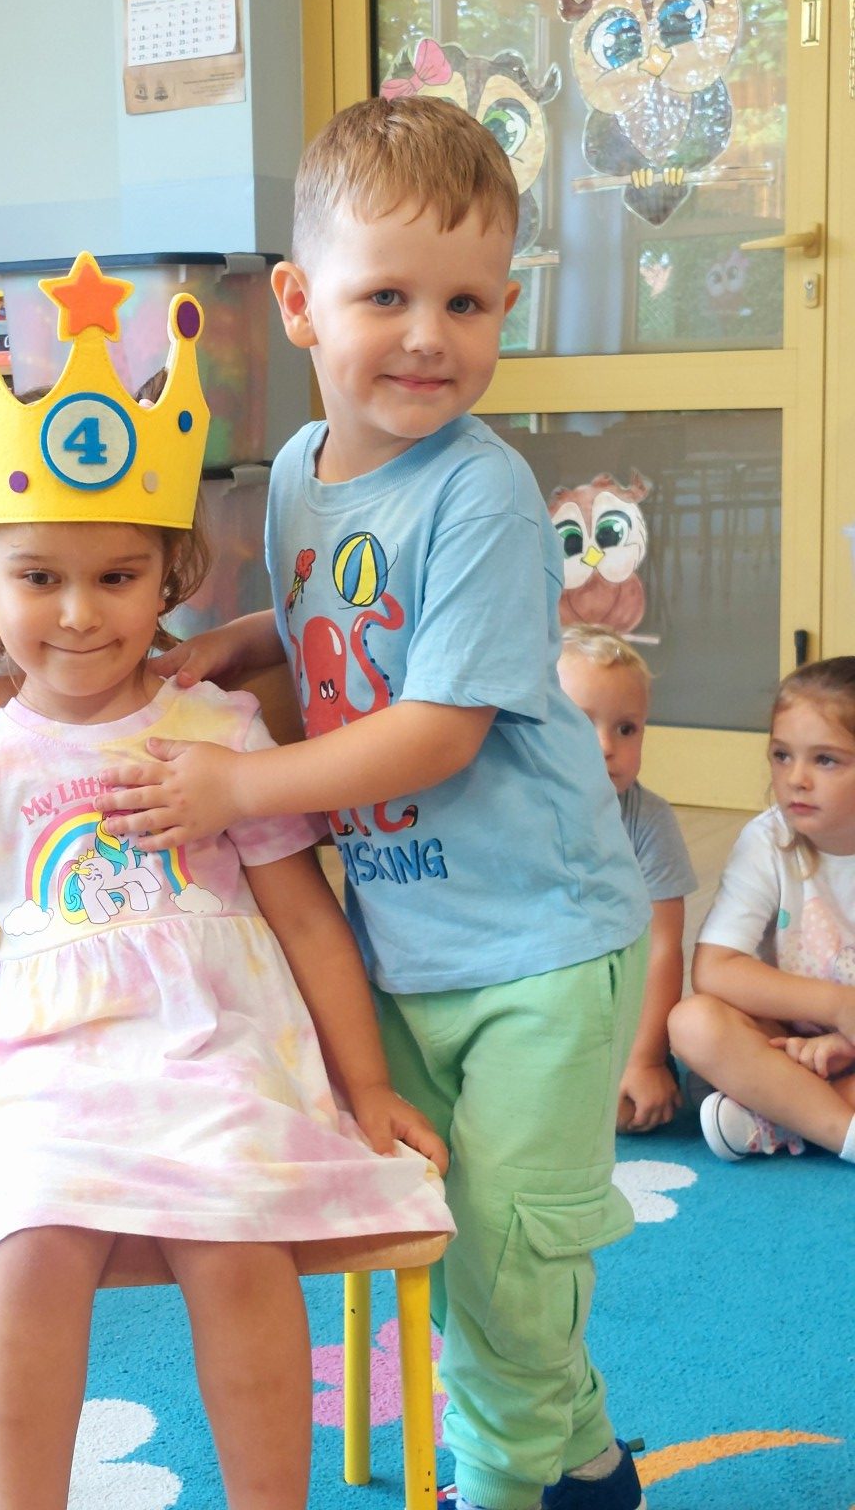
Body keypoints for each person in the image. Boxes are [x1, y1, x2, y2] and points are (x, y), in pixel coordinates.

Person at [97, 97, 652, 1510]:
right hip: (408, 942)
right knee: (455, 1229)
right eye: (386, 296)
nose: (427, 336)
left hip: (538, 946)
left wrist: (240, 785)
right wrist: (237, 646)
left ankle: (505, 1483)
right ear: (299, 304)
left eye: (465, 303)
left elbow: (436, 731)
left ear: (505, 309)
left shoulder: (484, 495)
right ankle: (585, 1462)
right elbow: (330, 629)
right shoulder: (298, 474)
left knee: (511, 1248)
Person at [0, 286, 453, 1510]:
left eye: (118, 575)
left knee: (237, 1236)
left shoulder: (222, 732)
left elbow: (305, 919)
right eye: (39, 576)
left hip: (215, 1055)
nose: (80, 612)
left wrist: (362, 1085)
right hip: (43, 1074)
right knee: (30, 1245)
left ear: (169, 577)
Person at [669, 656, 855, 1164]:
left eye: (826, 760)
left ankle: (775, 1116)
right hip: (785, 1042)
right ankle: (839, 1128)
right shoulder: (768, 840)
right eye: (781, 755)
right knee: (693, 1023)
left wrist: (846, 1043)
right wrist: (838, 1008)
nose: (796, 778)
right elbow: (714, 969)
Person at [557, 624, 696, 1133]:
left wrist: (646, 1059)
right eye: (579, 722)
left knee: (623, 1110)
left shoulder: (647, 819)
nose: (605, 745)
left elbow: (663, 946)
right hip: (534, 1005)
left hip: (612, 1012)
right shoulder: (514, 811)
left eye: (626, 728)